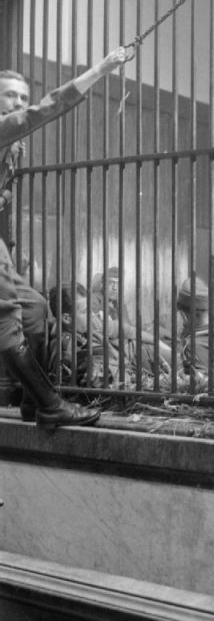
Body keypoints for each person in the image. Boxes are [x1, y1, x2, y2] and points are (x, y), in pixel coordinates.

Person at [0, 47, 126, 428]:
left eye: (22, 96)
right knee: (7, 318)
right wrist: (100, 69)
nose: (18, 103)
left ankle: (32, 401)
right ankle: (51, 406)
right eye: (9, 95)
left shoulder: (11, 145)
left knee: (36, 307)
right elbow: (47, 109)